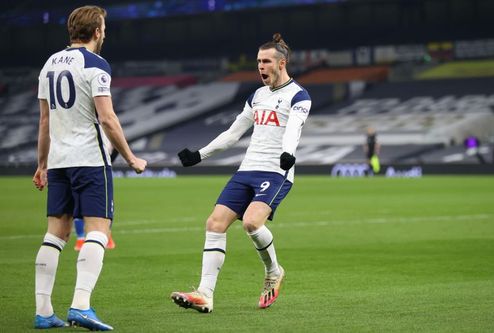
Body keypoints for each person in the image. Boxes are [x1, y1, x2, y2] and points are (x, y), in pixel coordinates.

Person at [170, 33, 311, 313]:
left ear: (281, 63)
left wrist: (288, 154)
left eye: (266, 61)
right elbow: (233, 133)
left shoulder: (299, 95)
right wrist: (200, 154)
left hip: (275, 171)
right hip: (247, 169)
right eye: (258, 61)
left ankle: (274, 271)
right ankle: (205, 294)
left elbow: (294, 128)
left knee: (251, 223)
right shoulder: (257, 95)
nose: (260, 66)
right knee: (214, 223)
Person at [33, 5, 147, 330]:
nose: (105, 33)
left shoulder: (49, 65)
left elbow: (44, 121)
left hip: (58, 162)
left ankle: (43, 312)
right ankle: (81, 305)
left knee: (56, 234)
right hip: (90, 160)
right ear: (97, 31)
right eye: (104, 28)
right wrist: (131, 158)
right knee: (98, 230)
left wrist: (41, 164)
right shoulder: (96, 65)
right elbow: (107, 118)